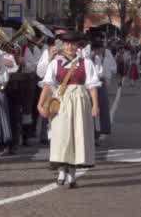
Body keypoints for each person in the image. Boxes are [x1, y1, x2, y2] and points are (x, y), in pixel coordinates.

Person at [39, 32, 99, 188]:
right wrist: (40, 104)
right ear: (63, 46)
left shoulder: (86, 63)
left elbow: (92, 86)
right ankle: (61, 172)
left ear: (77, 46)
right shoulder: (55, 63)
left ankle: (72, 176)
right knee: (61, 136)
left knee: (77, 136)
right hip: (61, 101)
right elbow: (47, 84)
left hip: (80, 101)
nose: (70, 47)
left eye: (73, 44)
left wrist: (95, 105)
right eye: (67, 44)